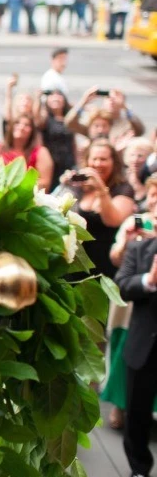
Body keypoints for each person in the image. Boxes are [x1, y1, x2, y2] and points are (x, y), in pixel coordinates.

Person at [104, 176, 157, 431]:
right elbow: (116, 260)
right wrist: (127, 240)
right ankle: (120, 404)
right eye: (153, 195)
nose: (155, 200)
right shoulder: (134, 222)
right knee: (128, 354)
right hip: (132, 304)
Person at [114, 211, 157, 477]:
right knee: (137, 414)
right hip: (145, 344)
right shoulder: (141, 249)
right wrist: (149, 281)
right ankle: (139, 469)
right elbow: (122, 285)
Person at [56, 139, 135, 280]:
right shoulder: (79, 187)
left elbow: (113, 220)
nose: (98, 164)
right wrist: (65, 186)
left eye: (103, 159)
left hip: (104, 263)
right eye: (95, 159)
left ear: (114, 162)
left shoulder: (122, 188)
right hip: (75, 260)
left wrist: (100, 187)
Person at [0, 113, 54, 189]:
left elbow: (45, 183)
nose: (21, 127)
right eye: (17, 123)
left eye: (27, 125)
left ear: (32, 131)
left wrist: (15, 185)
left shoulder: (40, 152)